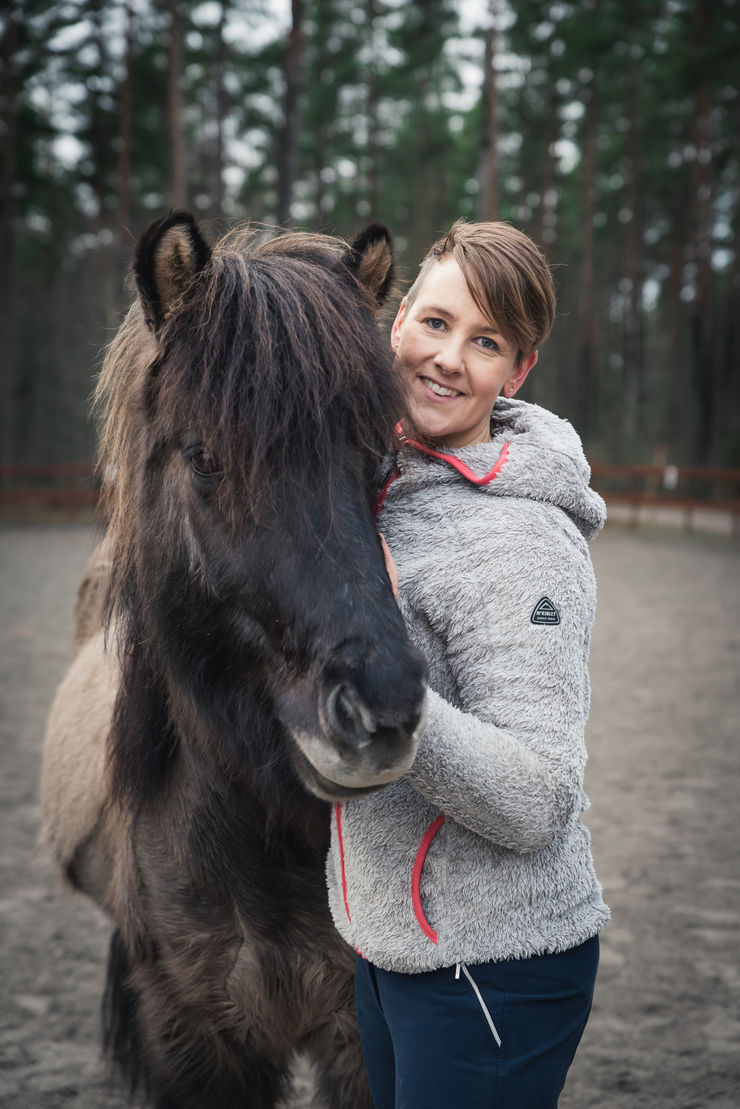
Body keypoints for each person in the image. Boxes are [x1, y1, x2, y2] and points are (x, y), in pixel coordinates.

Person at [325, 219, 610, 1108]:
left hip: (494, 969)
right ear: (398, 318)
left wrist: (393, 689)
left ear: (516, 373)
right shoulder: (367, 479)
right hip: (382, 947)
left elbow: (537, 797)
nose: (450, 358)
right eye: (438, 323)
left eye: (486, 343)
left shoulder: (523, 539)